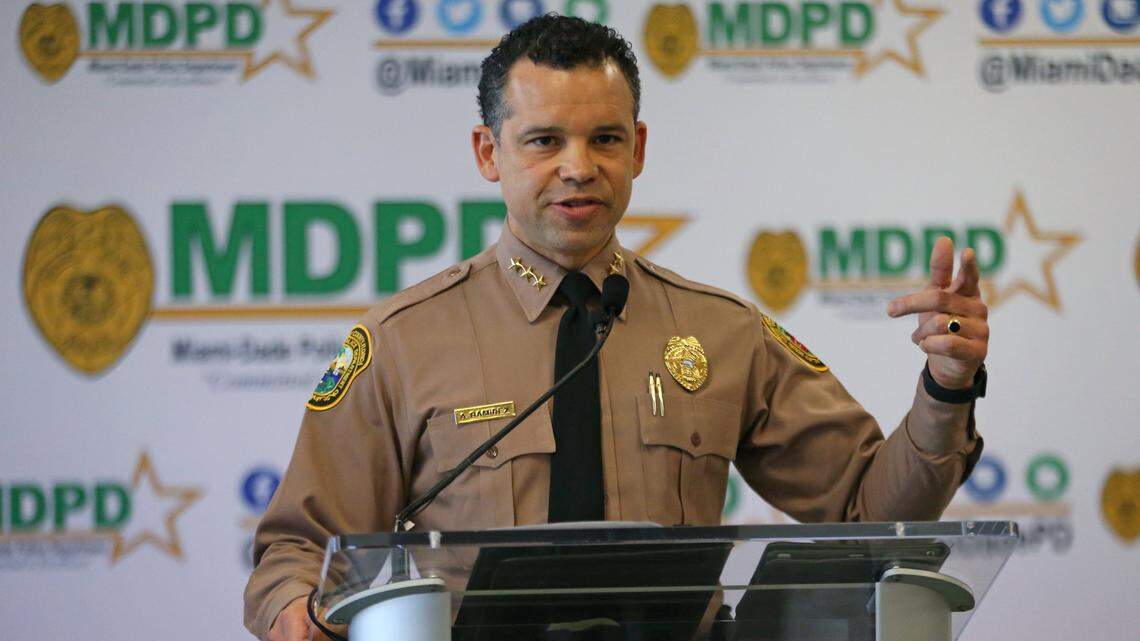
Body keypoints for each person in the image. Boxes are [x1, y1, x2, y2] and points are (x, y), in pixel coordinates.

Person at [244, 15, 988, 641]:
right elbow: (296, 550)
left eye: (604, 139)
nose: (579, 167)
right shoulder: (403, 340)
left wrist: (944, 388)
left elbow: (867, 515)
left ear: (637, 148)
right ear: (487, 153)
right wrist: (294, 610)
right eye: (544, 141)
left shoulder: (720, 330)